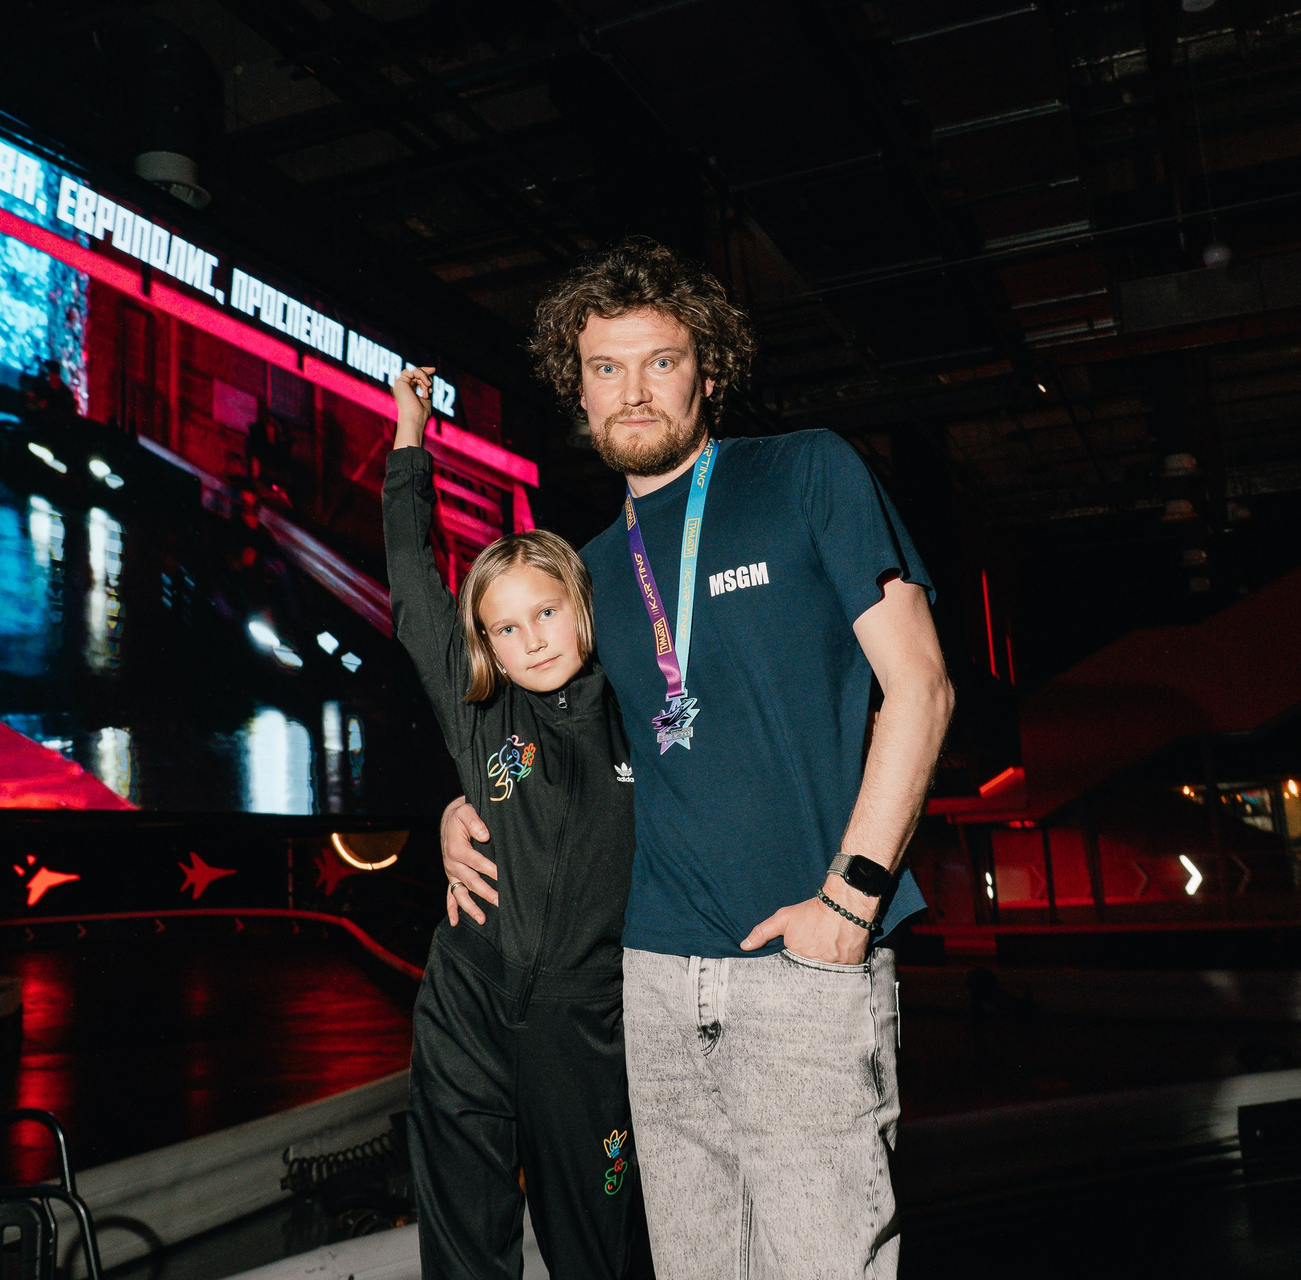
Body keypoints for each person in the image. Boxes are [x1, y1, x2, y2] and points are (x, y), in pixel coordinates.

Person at [439, 239, 954, 1278]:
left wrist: (849, 902)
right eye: (606, 367)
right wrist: (464, 807)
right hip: (651, 979)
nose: (633, 390)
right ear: (578, 389)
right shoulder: (585, 575)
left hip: (804, 966)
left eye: (661, 361)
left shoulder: (807, 472)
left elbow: (923, 688)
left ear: (708, 371)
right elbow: (553, 744)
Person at [384, 364, 641, 1279]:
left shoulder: (649, 719)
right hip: (467, 999)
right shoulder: (481, 715)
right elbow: (412, 582)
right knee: (464, 1239)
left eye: (546, 612)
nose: (530, 638)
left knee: (597, 1248)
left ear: (581, 606)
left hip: (584, 1026)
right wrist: (409, 435)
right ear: (483, 645)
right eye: (504, 628)